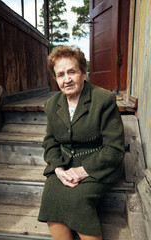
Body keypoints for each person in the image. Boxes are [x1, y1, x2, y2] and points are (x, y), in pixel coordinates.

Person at [38, 45, 125, 240]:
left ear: (83, 73)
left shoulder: (103, 100)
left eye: (72, 72)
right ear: (55, 79)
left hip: (100, 164)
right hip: (65, 166)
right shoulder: (52, 105)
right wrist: (58, 169)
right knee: (51, 195)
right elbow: (50, 142)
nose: (66, 79)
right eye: (60, 75)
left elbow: (114, 149)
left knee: (77, 198)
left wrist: (81, 171)